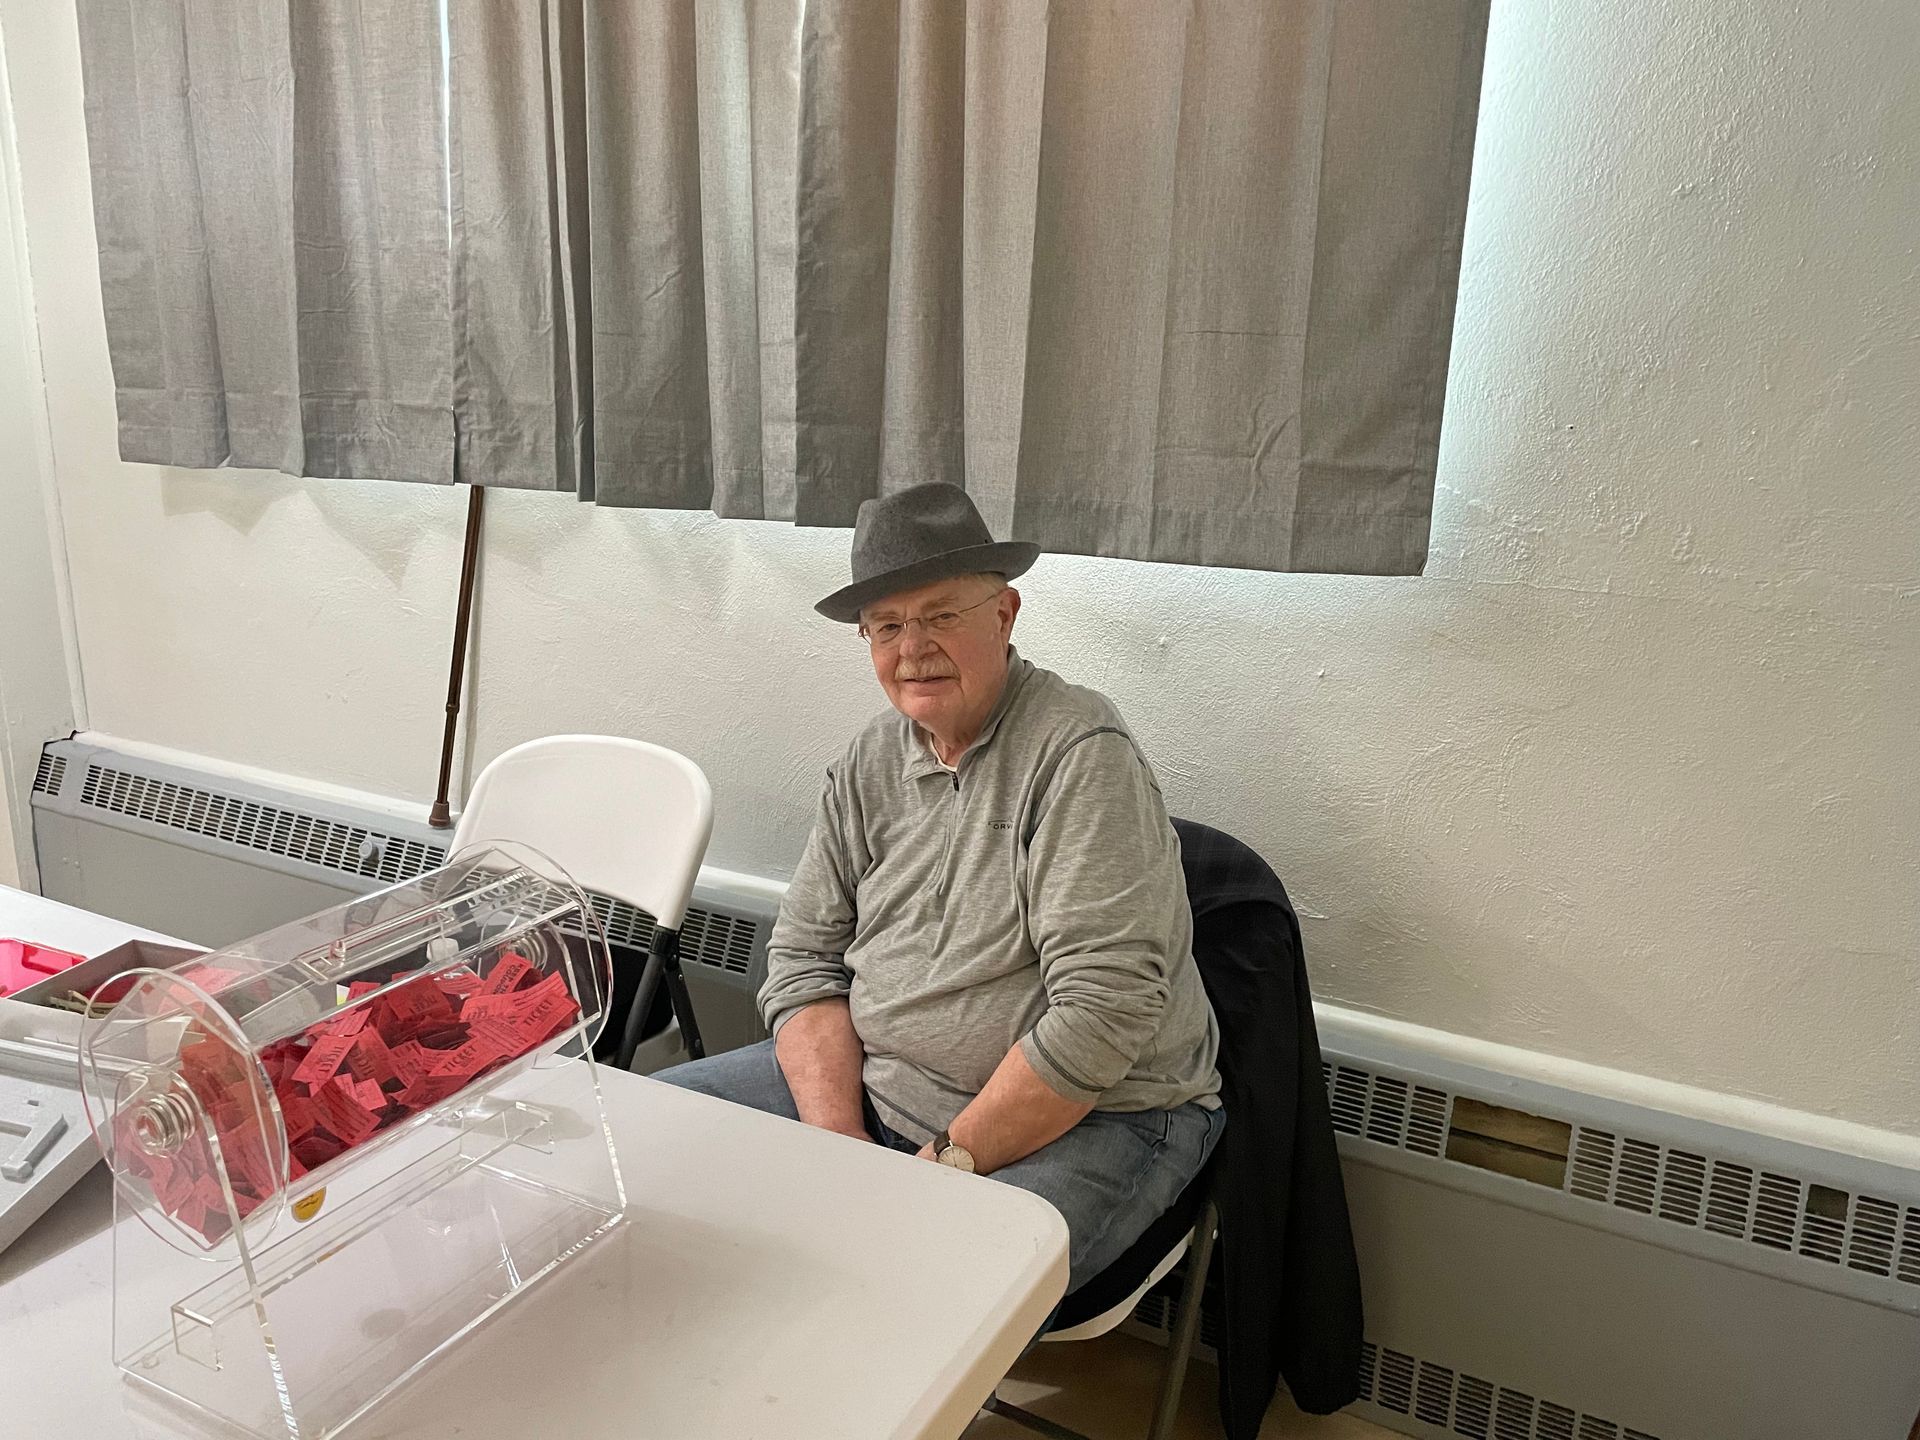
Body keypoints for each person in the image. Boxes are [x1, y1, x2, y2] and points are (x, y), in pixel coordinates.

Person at [657, 482, 1222, 1295]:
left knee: (913, 1292)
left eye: (941, 615)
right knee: (649, 1144)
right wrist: (836, 1141)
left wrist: (939, 1166)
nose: (912, 647)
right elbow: (803, 959)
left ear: (1004, 614)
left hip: (1099, 1115)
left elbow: (1103, 1013)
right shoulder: (868, 761)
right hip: (878, 1089)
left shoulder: (1078, 753)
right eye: (886, 625)